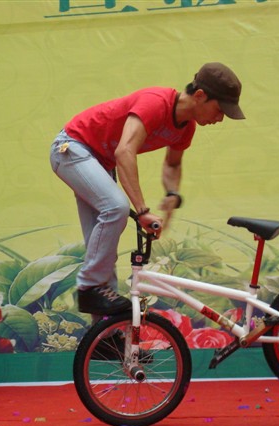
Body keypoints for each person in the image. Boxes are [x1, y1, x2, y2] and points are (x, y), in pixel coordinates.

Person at [50, 62, 245, 316]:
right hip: (72, 148)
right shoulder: (156, 102)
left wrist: (172, 193)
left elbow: (172, 164)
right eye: (219, 110)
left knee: (102, 252)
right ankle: (88, 288)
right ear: (200, 95)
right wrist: (142, 211)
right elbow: (124, 151)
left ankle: (105, 333)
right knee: (116, 208)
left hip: (99, 162)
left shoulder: (186, 129)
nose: (220, 119)